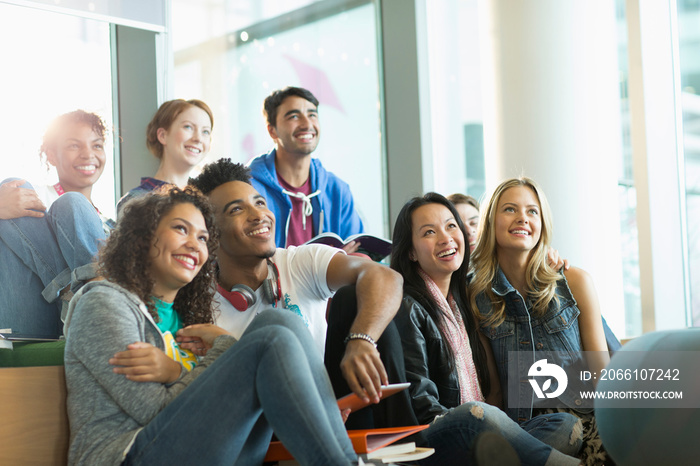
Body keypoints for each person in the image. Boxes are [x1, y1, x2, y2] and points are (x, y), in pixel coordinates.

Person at [63, 186, 359, 466]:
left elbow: (206, 401)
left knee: (282, 320)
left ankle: (346, 460)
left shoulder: (191, 319)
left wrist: (176, 371)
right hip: (129, 455)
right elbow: (155, 411)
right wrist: (226, 348)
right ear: (141, 237)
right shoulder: (104, 304)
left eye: (203, 238)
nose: (194, 244)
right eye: (181, 229)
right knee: (268, 340)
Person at [389, 192, 582, 466]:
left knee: (565, 426)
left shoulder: (464, 302)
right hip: (438, 436)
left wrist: (543, 257)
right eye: (429, 232)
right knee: (475, 413)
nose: (445, 238)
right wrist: (479, 423)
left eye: (451, 226)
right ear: (410, 251)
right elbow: (422, 406)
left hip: (478, 433)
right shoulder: (407, 306)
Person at [189, 158, 402, 404]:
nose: (259, 215)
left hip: (329, 407)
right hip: (264, 426)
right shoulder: (198, 305)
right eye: (236, 209)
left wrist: (362, 340)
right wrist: (229, 348)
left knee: (356, 298)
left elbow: (386, 277)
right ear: (210, 235)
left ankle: (406, 438)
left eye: (259, 202)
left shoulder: (299, 261)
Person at [469, 177, 610, 465]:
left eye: (532, 211)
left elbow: (602, 377)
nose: (523, 217)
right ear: (491, 221)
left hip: (588, 422)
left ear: (542, 224)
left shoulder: (574, 282)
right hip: (529, 430)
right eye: (510, 209)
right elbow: (494, 391)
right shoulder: (477, 298)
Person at [0, 110, 112, 339]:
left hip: (85, 325)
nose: (88, 154)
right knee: (14, 186)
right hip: (31, 318)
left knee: (74, 203)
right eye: (74, 146)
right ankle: (75, 294)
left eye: (97, 145)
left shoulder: (109, 222)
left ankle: (86, 298)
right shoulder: (30, 197)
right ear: (51, 155)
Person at [248, 86, 364, 250]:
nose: (307, 123)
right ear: (272, 131)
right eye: (294, 116)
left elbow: (358, 251)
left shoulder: (337, 190)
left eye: (312, 115)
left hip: (332, 276)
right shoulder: (249, 188)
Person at [117, 99, 213, 213]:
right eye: (188, 127)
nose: (198, 138)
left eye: (205, 132)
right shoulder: (136, 201)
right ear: (163, 135)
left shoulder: (209, 198)